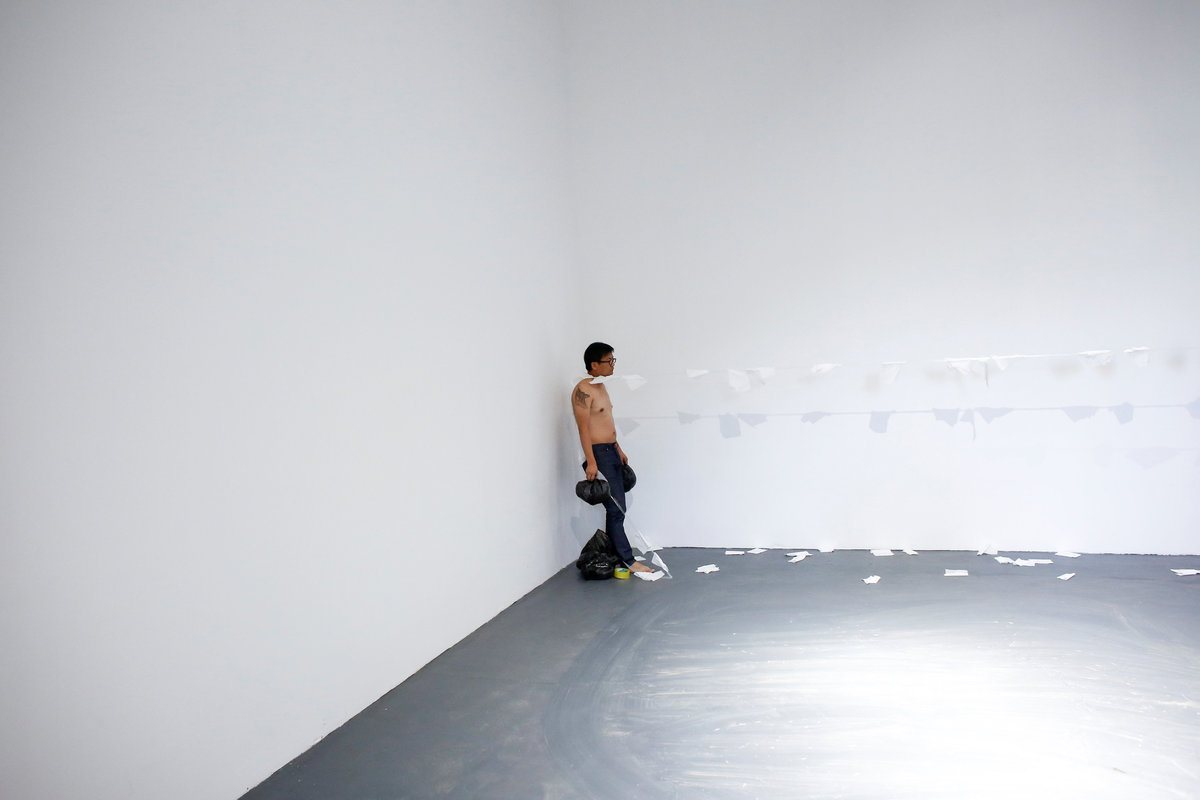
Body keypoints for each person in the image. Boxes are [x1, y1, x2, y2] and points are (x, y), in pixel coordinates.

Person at [572, 342, 654, 574]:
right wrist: (592, 462)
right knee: (617, 508)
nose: (612, 365)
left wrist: (618, 448)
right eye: (609, 361)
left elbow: (606, 422)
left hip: (611, 451)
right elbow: (584, 429)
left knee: (617, 508)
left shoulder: (601, 387)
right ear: (594, 364)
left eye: (613, 360)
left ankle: (616, 557)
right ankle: (628, 560)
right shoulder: (582, 391)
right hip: (599, 454)